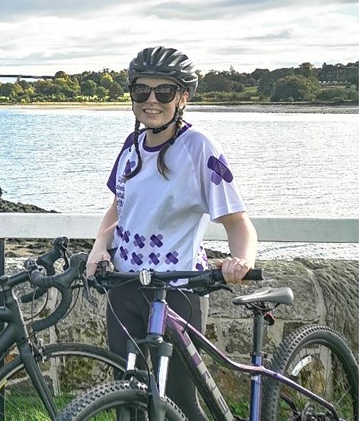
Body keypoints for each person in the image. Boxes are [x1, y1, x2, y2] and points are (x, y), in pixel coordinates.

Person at [85, 46, 258, 420]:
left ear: (182, 98)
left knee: (180, 398)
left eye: (163, 91)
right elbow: (118, 208)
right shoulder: (131, 147)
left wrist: (241, 260)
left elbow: (237, 221)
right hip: (124, 286)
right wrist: (99, 246)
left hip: (177, 290)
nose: (151, 100)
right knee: (128, 397)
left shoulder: (198, 147)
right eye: (141, 90)